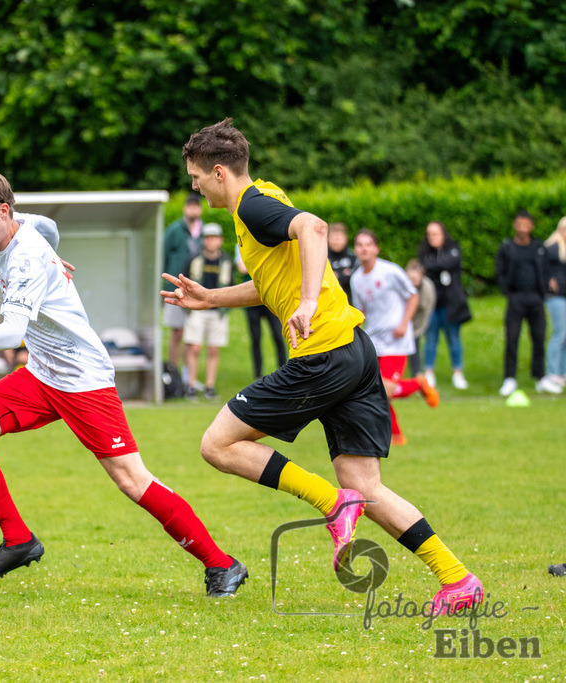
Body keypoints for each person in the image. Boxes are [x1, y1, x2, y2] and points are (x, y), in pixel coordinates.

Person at [163, 118, 482, 614]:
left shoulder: (251, 204)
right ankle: (457, 578)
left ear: (219, 172)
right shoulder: (263, 197)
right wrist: (211, 299)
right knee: (365, 484)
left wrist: (308, 302)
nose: (195, 188)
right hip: (354, 350)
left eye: (197, 178)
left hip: (323, 355)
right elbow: (273, 282)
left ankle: (333, 504)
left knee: (217, 444)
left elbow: (313, 228)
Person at [0, 167, 247, 597]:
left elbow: (13, 333)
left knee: (131, 480)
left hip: (83, 380)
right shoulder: (22, 227)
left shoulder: (25, 256)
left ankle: (223, 565)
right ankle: (19, 541)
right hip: (43, 373)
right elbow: (46, 225)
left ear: (3, 209)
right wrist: (54, 257)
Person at [350, 230, 439, 446]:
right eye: (360, 244)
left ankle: (418, 385)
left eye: (368, 244)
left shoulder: (390, 271)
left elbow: (413, 295)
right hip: (374, 341)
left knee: (381, 389)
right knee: (376, 390)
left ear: (376, 249)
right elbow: (359, 311)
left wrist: (403, 323)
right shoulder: (356, 279)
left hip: (396, 341)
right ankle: (395, 434)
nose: (364, 248)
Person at [495, 210, 548, 397]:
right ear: (514, 225)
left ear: (531, 226)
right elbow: (500, 271)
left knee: (539, 338)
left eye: (527, 225)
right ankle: (509, 378)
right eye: (520, 224)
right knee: (512, 338)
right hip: (516, 298)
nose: (523, 229)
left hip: (536, 298)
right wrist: (506, 290)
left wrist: (545, 289)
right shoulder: (507, 247)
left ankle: (540, 377)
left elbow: (547, 268)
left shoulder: (539, 247)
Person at [418, 221, 471, 390]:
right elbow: (423, 267)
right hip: (432, 304)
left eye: (436, 233)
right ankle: (429, 372)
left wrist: (432, 266)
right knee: (431, 339)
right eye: (429, 234)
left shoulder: (453, 248)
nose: (432, 237)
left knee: (454, 338)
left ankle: (458, 372)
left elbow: (447, 263)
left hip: (451, 304)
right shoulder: (425, 252)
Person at [182, 222, 232, 399]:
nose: (211, 241)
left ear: (220, 240)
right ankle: (191, 385)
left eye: (215, 238)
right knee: (194, 347)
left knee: (213, 349)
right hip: (197, 309)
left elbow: (231, 286)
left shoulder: (225, 260)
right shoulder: (194, 258)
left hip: (218, 311)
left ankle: (210, 386)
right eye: (208, 238)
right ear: (204, 240)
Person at [162, 193, 204, 373]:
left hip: (196, 289)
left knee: (193, 336)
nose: (193, 209)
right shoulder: (174, 230)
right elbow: (162, 256)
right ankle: (173, 371)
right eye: (190, 206)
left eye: (197, 206)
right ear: (185, 208)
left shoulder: (203, 232)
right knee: (177, 332)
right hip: (175, 287)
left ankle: (189, 376)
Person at [234, 247, 287, 378]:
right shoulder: (241, 243)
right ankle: (258, 374)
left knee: (278, 336)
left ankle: (284, 370)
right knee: (256, 338)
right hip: (251, 299)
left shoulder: (269, 240)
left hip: (270, 297)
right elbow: (242, 268)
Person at [538, 217, 566, 394]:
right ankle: (552, 372)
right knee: (560, 332)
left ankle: (562, 371)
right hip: (556, 298)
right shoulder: (553, 247)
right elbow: (541, 268)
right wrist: (548, 281)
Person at [405, 258, 436, 377]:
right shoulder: (401, 285)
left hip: (418, 322)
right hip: (401, 320)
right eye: (409, 279)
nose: (412, 282)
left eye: (415, 279)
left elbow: (425, 314)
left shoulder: (427, 289)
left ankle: (416, 376)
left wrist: (414, 332)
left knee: (414, 347)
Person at [327, 222, 357, 298]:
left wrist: (335, 275)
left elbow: (355, 279)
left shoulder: (353, 257)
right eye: (333, 238)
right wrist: (343, 274)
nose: (336, 241)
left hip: (350, 301)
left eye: (339, 238)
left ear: (345, 239)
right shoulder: (323, 258)